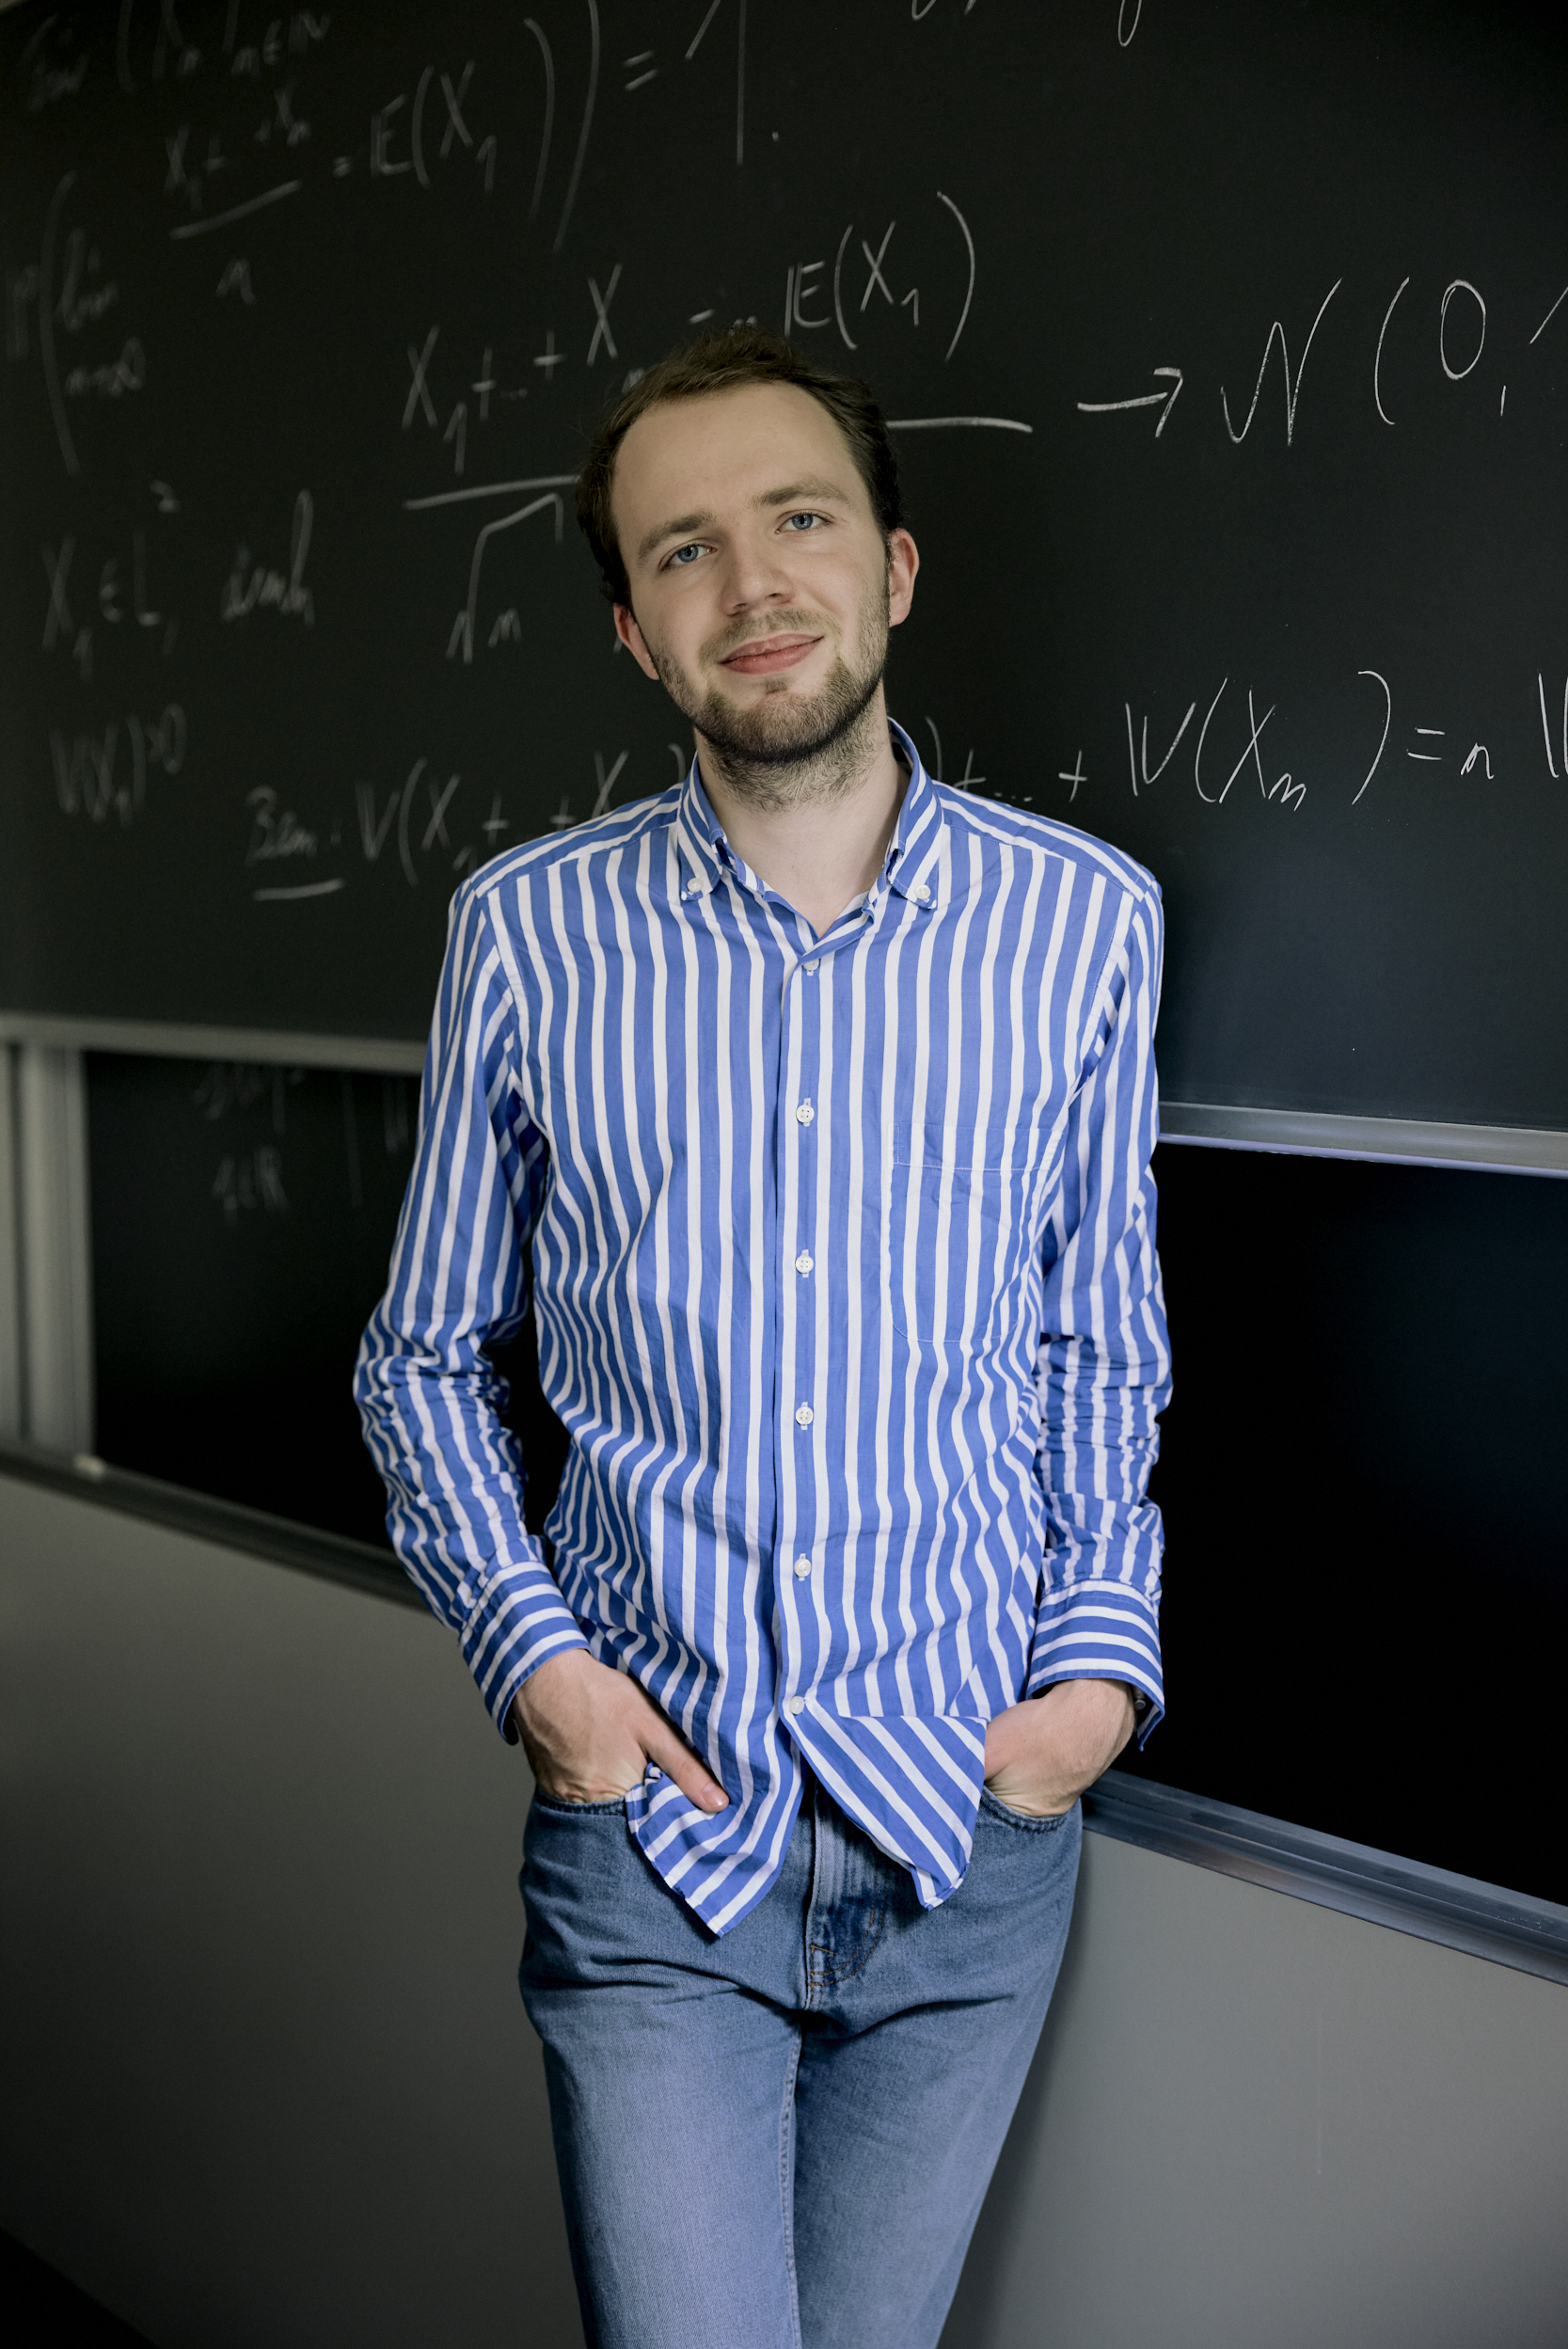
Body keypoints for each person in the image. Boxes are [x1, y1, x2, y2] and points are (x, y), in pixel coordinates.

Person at [356, 327, 1170, 2349]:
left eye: (798, 519)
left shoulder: (1088, 922)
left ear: (892, 565)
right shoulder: (525, 933)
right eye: (686, 550)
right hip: (656, 1850)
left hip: (969, 1837)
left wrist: (1093, 1680)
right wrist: (541, 1672)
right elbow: (422, 1353)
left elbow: (1101, 1338)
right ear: (635, 630)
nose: (755, 584)